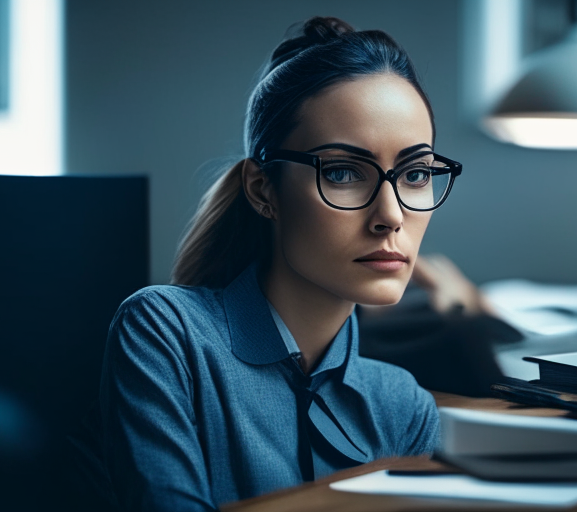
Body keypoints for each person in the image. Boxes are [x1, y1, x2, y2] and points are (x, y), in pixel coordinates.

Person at [73, 16, 463, 511]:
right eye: (343, 172)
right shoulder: (165, 331)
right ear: (263, 190)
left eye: (414, 174)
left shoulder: (401, 405)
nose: (390, 215)